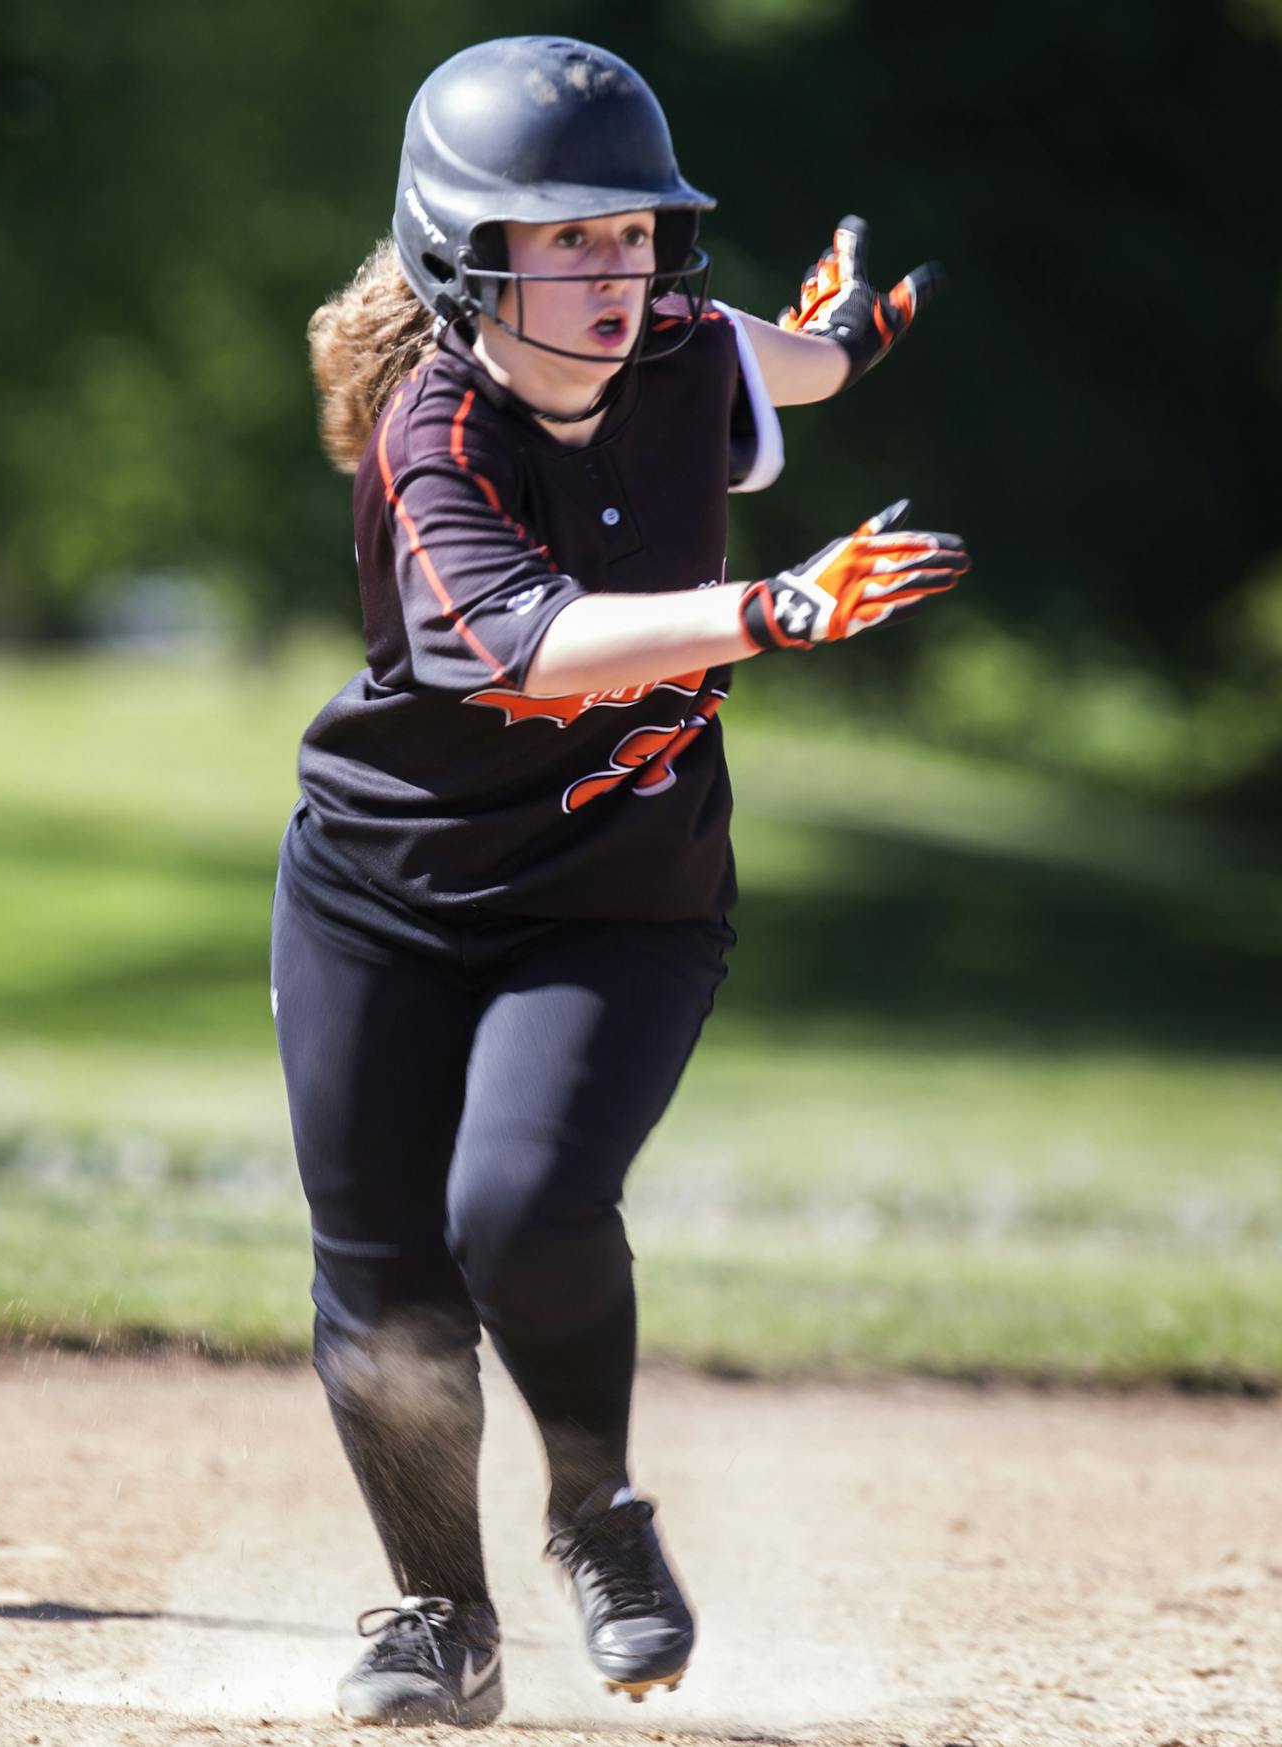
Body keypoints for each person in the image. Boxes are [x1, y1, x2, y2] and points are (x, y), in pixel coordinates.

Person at [271, 33, 969, 1729]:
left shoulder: (673, 343)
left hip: (623, 895)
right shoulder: (429, 436)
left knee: (516, 1205)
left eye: (636, 231)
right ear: (462, 254)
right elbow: (524, 649)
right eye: (564, 235)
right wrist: (773, 609)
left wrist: (844, 342)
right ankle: (442, 1624)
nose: (615, 266)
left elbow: (772, 363)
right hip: (385, 891)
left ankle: (599, 1516)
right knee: (386, 1280)